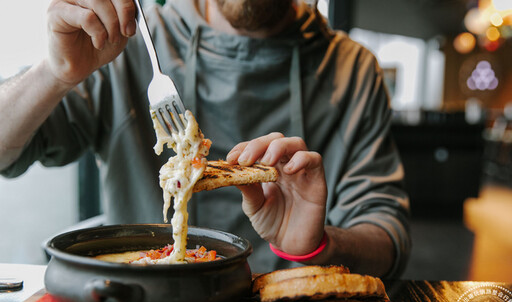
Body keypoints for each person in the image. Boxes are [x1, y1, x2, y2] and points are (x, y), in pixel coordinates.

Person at [0, 0, 410, 277]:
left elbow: (388, 239)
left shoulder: (352, 69)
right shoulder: (125, 43)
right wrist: (53, 74)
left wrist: (316, 246)